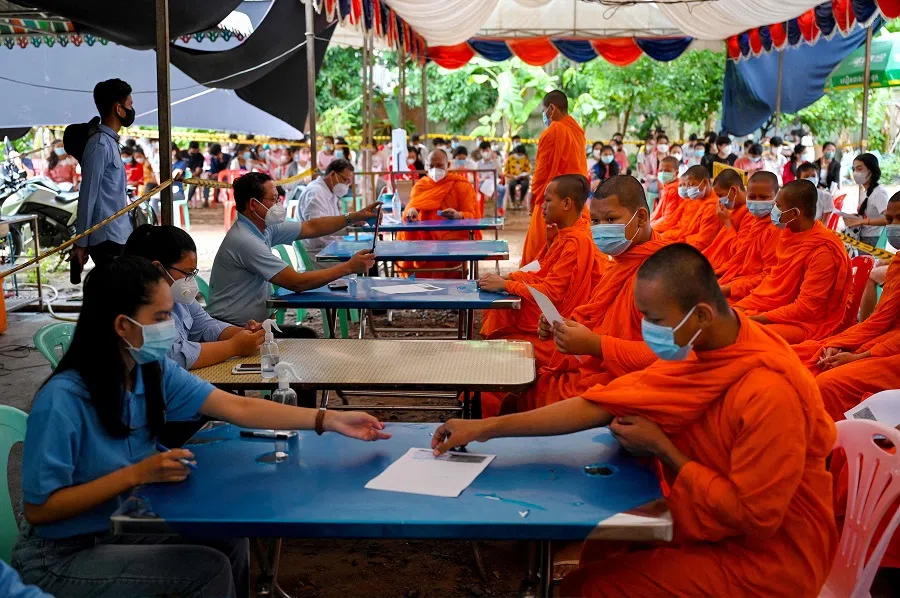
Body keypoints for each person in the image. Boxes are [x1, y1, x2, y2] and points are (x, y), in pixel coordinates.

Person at [432, 244, 837, 598]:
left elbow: (755, 518)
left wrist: (664, 449)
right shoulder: (703, 349)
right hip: (708, 514)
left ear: (700, 314)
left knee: (591, 588)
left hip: (768, 561)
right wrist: (485, 429)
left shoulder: (769, 390)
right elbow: (599, 403)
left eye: (655, 321)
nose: (648, 332)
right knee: (603, 543)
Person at [11, 255, 390, 598]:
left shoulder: (150, 371)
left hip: (122, 526)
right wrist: (136, 474)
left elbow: (236, 406)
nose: (171, 328)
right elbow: (42, 509)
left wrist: (328, 419)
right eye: (161, 318)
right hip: (62, 556)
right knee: (205, 571)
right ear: (123, 326)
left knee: (228, 536)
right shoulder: (63, 399)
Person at [491, 175, 671, 417]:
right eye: (595, 220)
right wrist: (563, 326)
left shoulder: (664, 273)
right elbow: (596, 316)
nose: (600, 228)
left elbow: (666, 355)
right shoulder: (621, 263)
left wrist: (595, 345)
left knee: (509, 380)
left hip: (624, 385)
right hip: (590, 365)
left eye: (610, 219)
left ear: (640, 217)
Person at [207, 172, 378, 328]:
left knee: (307, 335)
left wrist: (353, 217)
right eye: (274, 199)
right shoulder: (245, 240)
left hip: (252, 326)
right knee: (307, 337)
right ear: (253, 204)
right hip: (230, 329)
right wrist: (348, 267)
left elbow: (311, 227)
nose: (278, 204)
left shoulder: (264, 228)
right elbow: (296, 282)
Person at [478, 174, 604, 366]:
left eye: (547, 200)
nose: (542, 206)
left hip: (568, 327)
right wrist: (510, 277)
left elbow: (552, 292)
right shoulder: (568, 234)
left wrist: (507, 284)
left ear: (567, 203)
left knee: (498, 347)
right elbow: (542, 270)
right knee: (501, 315)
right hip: (552, 314)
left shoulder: (576, 242)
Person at [124, 225, 264, 370]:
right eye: (186, 273)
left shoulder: (178, 297)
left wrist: (246, 334)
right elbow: (173, 355)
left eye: (193, 273)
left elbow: (204, 324)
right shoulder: (137, 307)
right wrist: (233, 346)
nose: (190, 281)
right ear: (158, 269)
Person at [735, 180, 851, 343]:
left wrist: (757, 319)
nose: (773, 211)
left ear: (795, 213)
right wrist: (742, 308)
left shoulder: (823, 251)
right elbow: (774, 282)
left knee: (746, 336)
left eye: (778, 206)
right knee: (727, 316)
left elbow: (806, 309)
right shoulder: (788, 233)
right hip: (776, 307)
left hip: (807, 324)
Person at [72, 79, 135, 271]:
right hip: (107, 239)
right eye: (130, 105)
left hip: (119, 233)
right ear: (119, 109)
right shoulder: (99, 145)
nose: (132, 110)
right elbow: (87, 195)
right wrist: (81, 243)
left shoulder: (110, 142)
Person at [521, 90, 589, 266]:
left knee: (537, 257)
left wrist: (533, 195)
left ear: (551, 109)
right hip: (576, 205)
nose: (544, 116)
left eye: (544, 111)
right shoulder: (578, 131)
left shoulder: (553, 131)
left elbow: (542, 171)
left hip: (552, 202)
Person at [397, 150, 481, 278]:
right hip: (423, 240)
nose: (435, 170)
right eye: (431, 166)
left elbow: (472, 215)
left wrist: (458, 215)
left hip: (453, 239)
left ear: (448, 164)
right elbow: (411, 207)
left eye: (440, 165)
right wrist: (412, 211)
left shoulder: (461, 185)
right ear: (426, 167)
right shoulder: (421, 186)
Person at [717, 171, 781, 303]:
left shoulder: (776, 228)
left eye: (763, 197)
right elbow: (740, 258)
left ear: (777, 197)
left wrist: (728, 289)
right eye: (752, 196)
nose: (757, 202)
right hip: (736, 277)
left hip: (754, 291)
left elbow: (769, 276)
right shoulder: (753, 219)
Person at [298, 159, 356, 263]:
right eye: (345, 180)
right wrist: (350, 220)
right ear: (333, 174)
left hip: (329, 248)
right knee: (362, 260)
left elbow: (332, 222)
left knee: (366, 255)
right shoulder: (315, 193)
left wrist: (353, 221)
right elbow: (318, 227)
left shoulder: (331, 193)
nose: (346, 185)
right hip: (318, 254)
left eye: (349, 183)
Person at [701, 169, 752, 272]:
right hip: (715, 262)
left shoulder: (750, 213)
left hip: (729, 268)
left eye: (720, 195)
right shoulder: (735, 209)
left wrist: (727, 222)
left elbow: (738, 251)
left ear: (733, 190)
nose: (719, 200)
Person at [661, 165, 720, 250]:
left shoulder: (712, 207)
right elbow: (681, 225)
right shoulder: (696, 198)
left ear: (705, 182)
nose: (689, 190)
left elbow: (702, 243)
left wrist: (676, 246)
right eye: (687, 186)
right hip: (682, 239)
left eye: (692, 185)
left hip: (694, 250)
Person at [844, 153, 889, 247]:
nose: (855, 173)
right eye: (854, 169)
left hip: (873, 239)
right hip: (862, 236)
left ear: (871, 170)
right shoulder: (866, 192)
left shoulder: (879, 193)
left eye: (859, 169)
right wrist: (855, 218)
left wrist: (862, 221)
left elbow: (889, 219)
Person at [648, 156, 681, 230]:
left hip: (671, 230)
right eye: (661, 170)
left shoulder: (675, 190)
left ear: (676, 173)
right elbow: (658, 213)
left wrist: (649, 227)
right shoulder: (667, 187)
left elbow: (668, 221)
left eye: (667, 171)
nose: (663, 173)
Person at [503, 144, 531, 210]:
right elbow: (505, 172)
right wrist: (513, 176)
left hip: (522, 178)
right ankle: (513, 201)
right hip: (512, 177)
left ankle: (520, 201)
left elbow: (528, 170)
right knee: (512, 184)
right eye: (519, 154)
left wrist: (525, 174)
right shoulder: (510, 158)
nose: (520, 156)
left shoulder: (525, 158)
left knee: (525, 184)